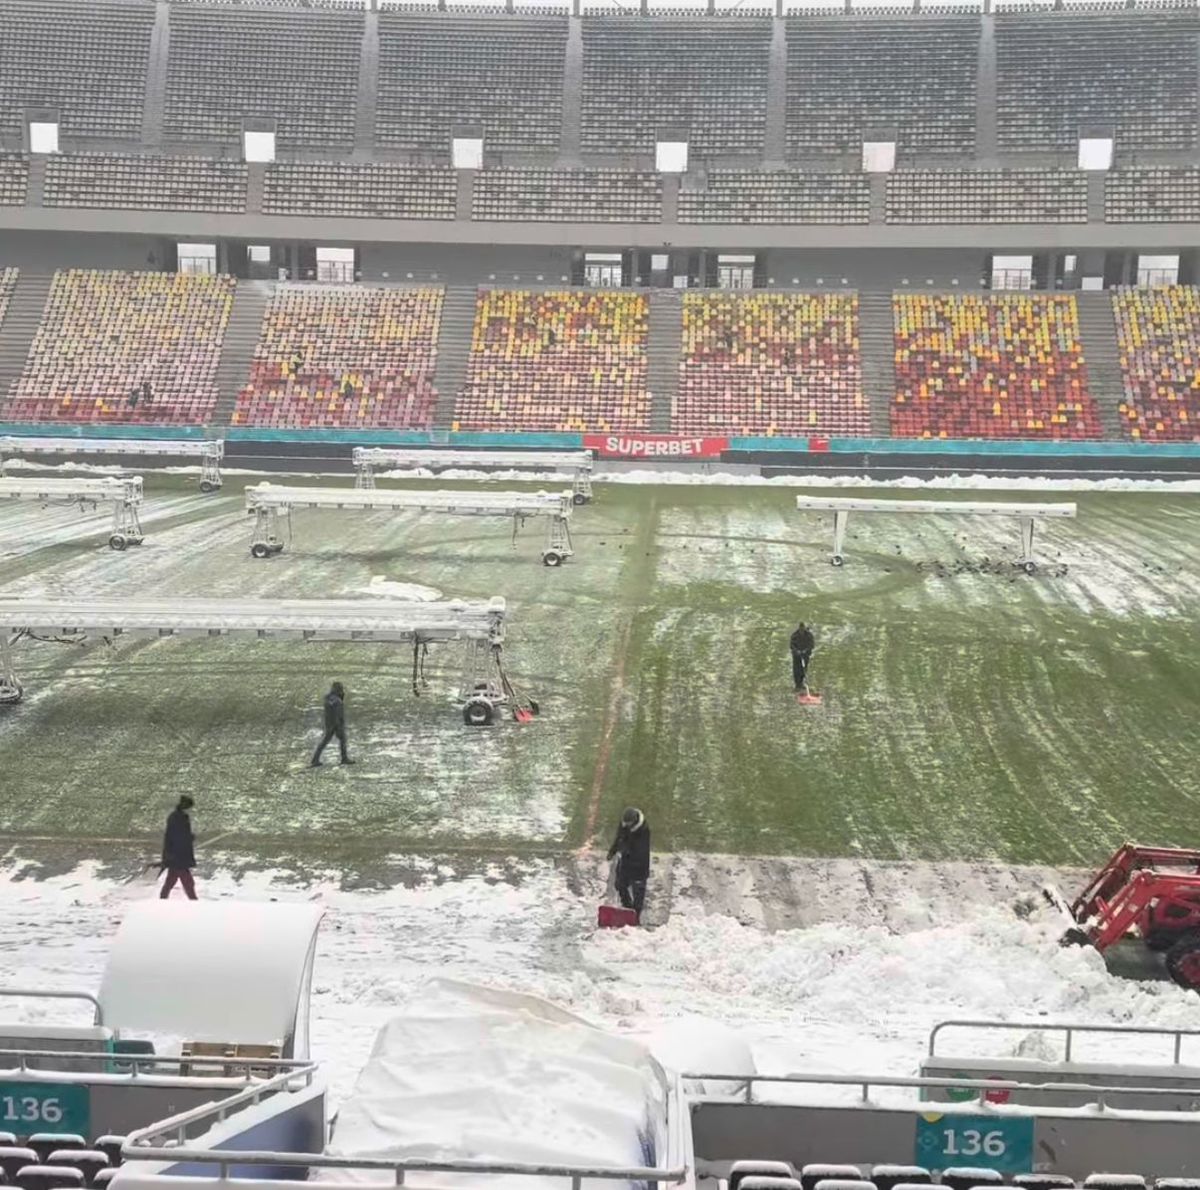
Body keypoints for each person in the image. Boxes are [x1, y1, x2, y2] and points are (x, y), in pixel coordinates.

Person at [607, 807, 650, 921]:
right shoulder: (624, 824)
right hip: (625, 861)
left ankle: (636, 916)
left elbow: (641, 851)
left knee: (638, 892)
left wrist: (626, 851)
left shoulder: (644, 830)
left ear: (634, 822)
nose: (625, 826)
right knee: (620, 885)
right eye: (624, 823)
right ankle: (627, 908)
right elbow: (619, 838)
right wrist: (613, 850)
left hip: (639, 865)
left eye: (628, 824)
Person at [160, 796, 197, 900]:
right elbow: (177, 837)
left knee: (172, 879)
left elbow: (176, 835)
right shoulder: (178, 818)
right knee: (187, 881)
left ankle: (162, 899)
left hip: (175, 855)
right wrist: (189, 838)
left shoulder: (176, 817)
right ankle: (193, 900)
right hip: (178, 855)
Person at [311, 681, 354, 767]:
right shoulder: (338, 701)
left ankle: (315, 759)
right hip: (336, 724)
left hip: (329, 723)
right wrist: (339, 725)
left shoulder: (328, 698)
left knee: (324, 741)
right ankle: (344, 758)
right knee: (342, 740)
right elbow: (338, 714)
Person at [790, 622, 815, 693]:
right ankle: (797, 685)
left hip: (805, 655)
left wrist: (805, 651)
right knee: (796, 670)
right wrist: (796, 651)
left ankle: (802, 683)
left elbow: (811, 645)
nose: (801, 631)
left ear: (804, 628)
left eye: (802, 629)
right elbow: (791, 645)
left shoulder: (809, 635)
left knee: (803, 669)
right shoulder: (794, 635)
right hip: (796, 656)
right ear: (799, 628)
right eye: (800, 629)